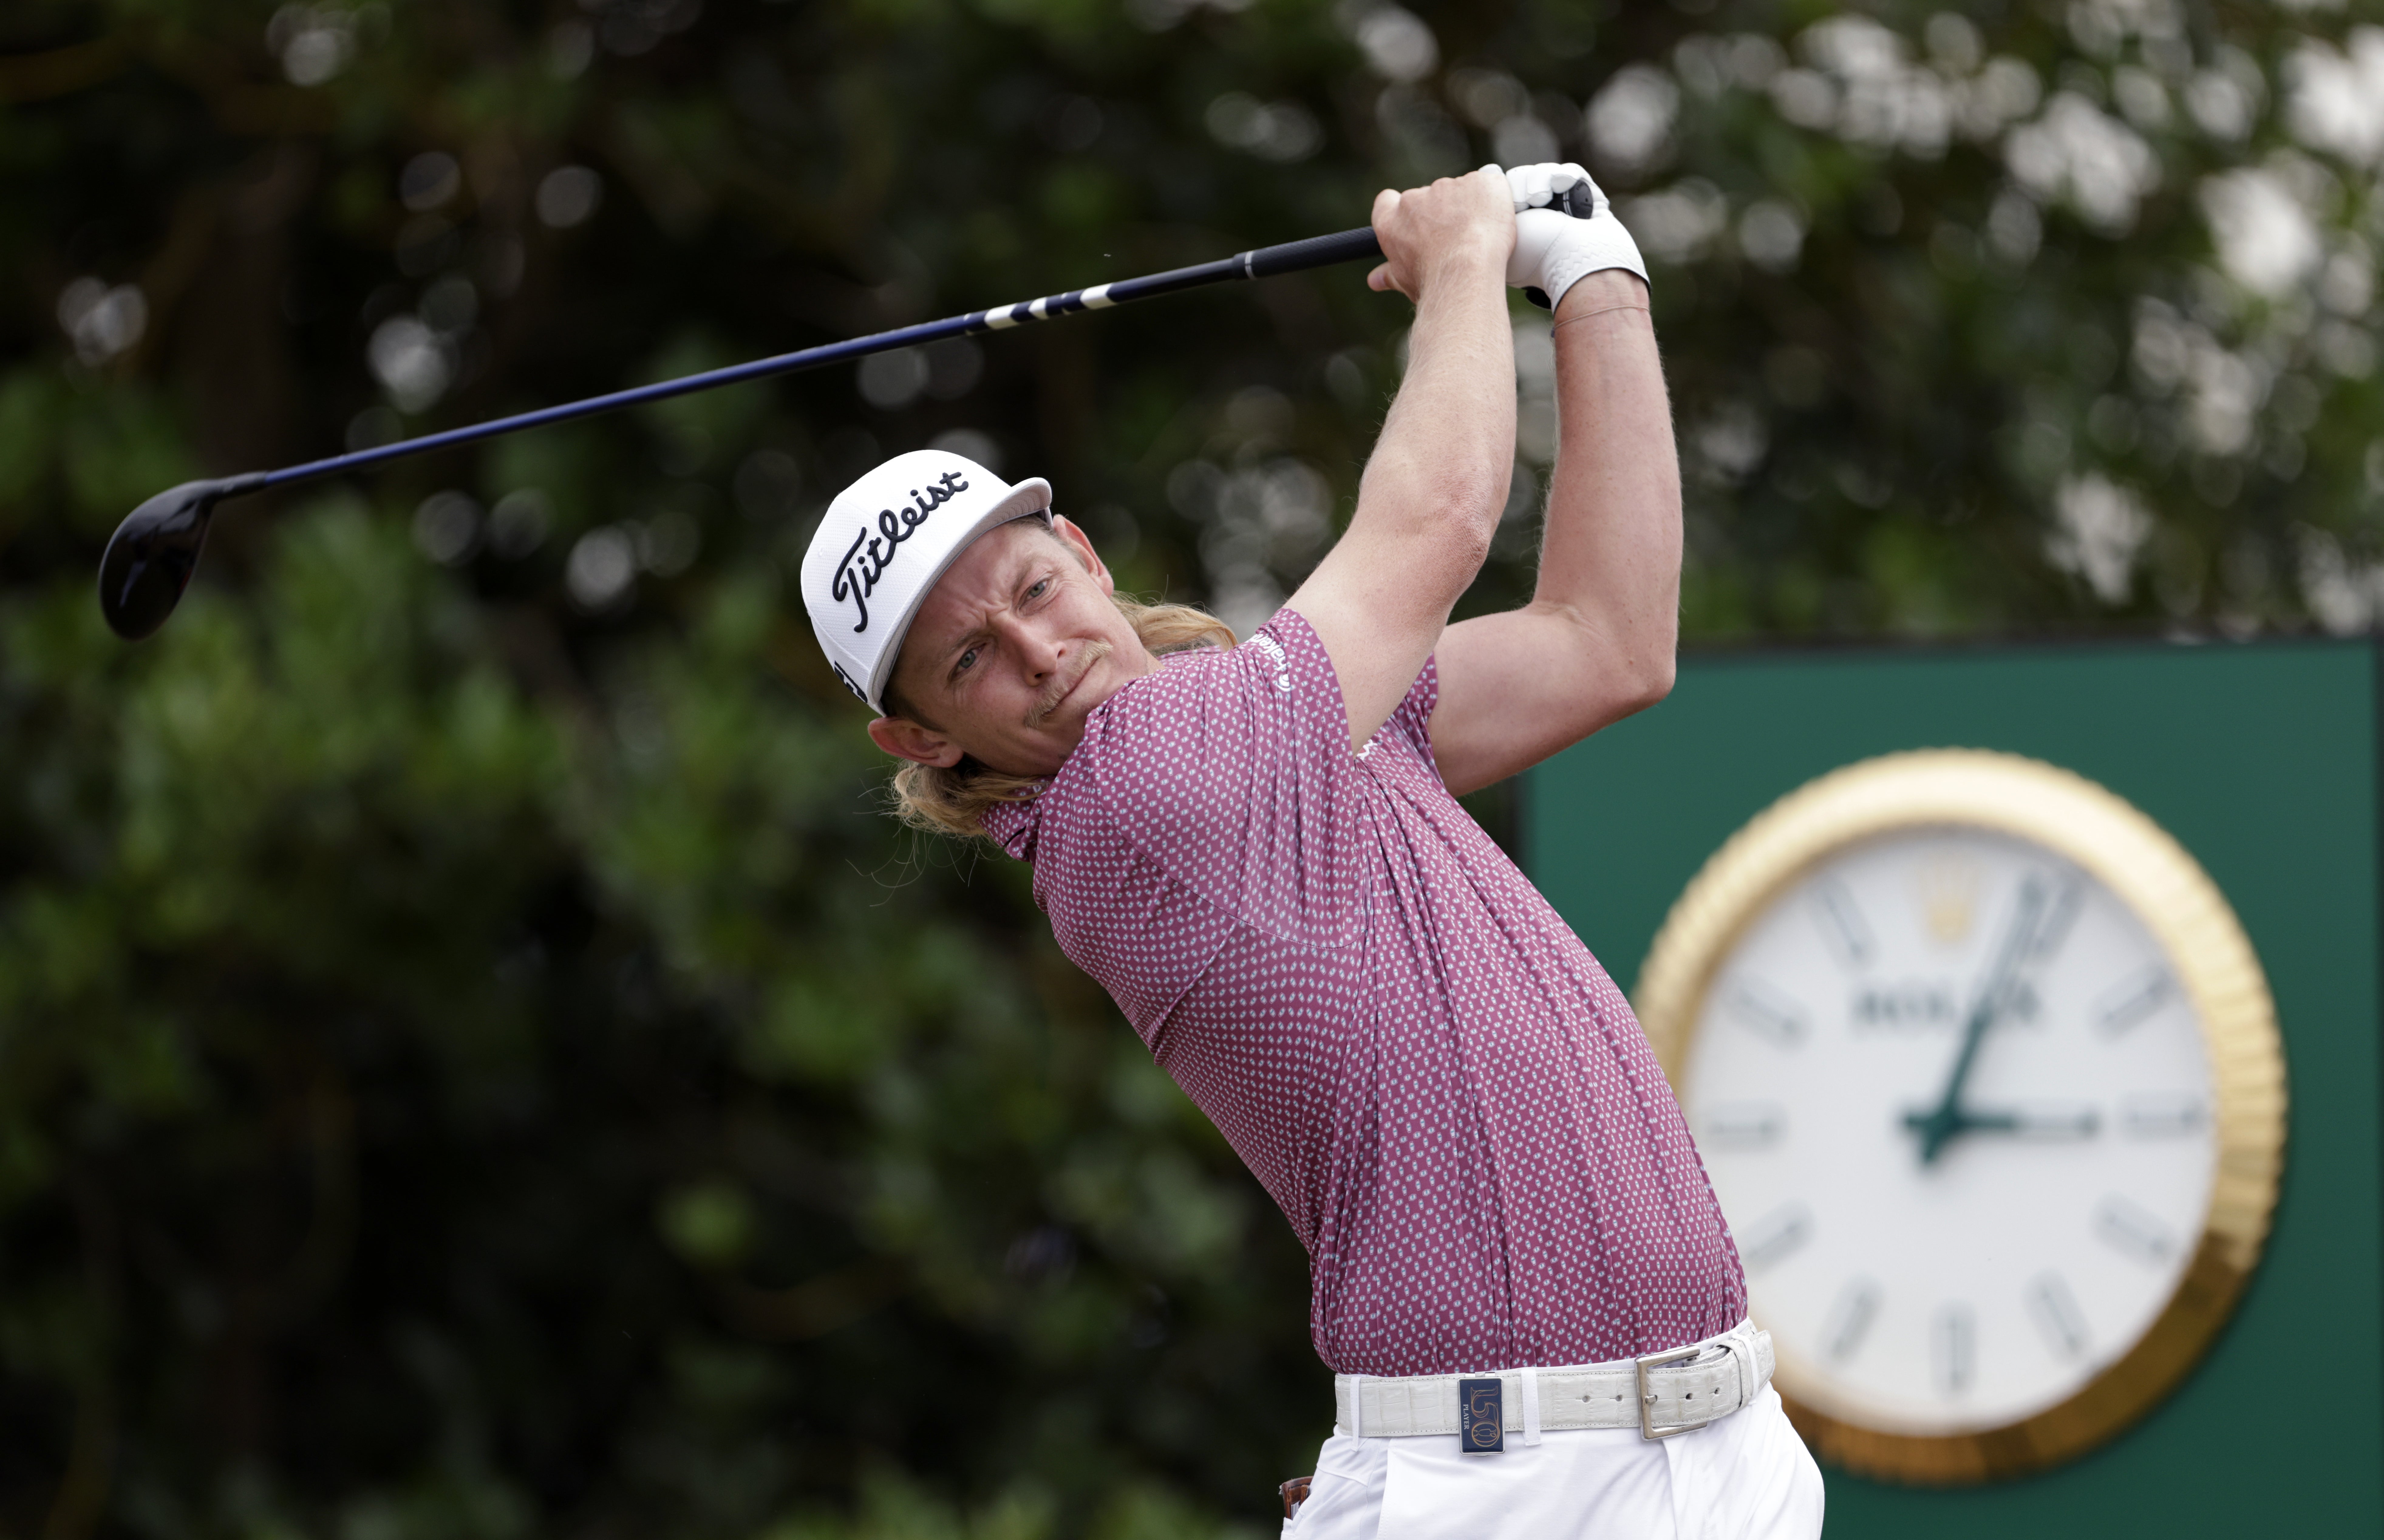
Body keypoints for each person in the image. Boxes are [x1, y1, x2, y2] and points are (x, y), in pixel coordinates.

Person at [800, 162, 1824, 1539]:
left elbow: (1609, 641)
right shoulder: (1142, 788)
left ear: (1086, 557)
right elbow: (1437, 523)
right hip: (1505, 1487)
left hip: (1715, 1446)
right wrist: (1463, 260)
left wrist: (1594, 280)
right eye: (971, 658)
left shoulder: (1302, 731)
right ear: (924, 742)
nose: (1039, 652)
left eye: (1034, 586)